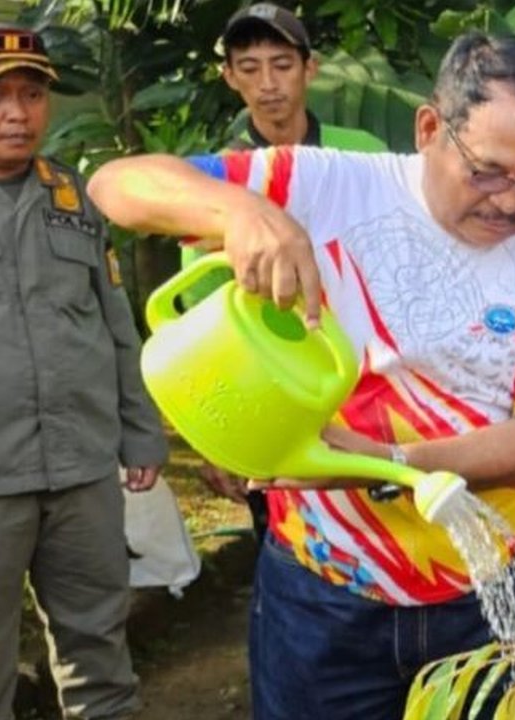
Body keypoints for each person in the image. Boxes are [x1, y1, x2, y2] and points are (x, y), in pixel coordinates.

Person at [87, 32, 515, 720]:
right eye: (488, 171)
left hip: (484, 585)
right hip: (324, 589)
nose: (511, 203)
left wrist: (388, 463)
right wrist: (243, 212)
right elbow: (114, 184)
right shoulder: (326, 186)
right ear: (429, 128)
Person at [0, 24, 168, 720]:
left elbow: (116, 325)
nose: (17, 111)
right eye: (0, 95)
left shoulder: (74, 198)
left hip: (81, 472)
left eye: (31, 94)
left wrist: (141, 433)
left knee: (98, 653)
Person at [187, 1, 389, 544]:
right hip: (275, 396)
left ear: (310, 68)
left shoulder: (363, 156)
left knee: (387, 529)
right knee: (291, 546)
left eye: (281, 64)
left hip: (371, 387)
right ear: (229, 76)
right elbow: (207, 321)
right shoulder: (217, 183)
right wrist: (217, 438)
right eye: (249, 68)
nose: (268, 83)